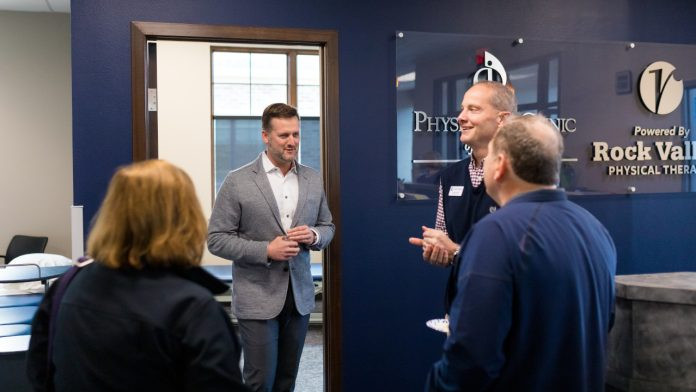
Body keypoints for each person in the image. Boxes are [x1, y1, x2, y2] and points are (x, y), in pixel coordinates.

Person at [425, 115, 617, 391]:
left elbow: (471, 357)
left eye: (489, 156)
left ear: (500, 165)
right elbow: (604, 324)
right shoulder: (595, 230)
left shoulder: (496, 233)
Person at [27, 160, 248, 391]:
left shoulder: (67, 284)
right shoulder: (192, 309)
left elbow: (40, 373)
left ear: (111, 214)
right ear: (186, 217)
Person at [208, 103, 334, 392]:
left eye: (296, 134)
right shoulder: (237, 181)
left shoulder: (313, 178)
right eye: (284, 135)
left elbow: (328, 226)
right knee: (260, 382)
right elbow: (217, 239)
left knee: (287, 380)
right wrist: (266, 250)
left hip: (300, 297)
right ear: (265, 136)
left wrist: (314, 235)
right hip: (257, 297)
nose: (292, 142)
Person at [409, 81, 516, 312]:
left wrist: (456, 250)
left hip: (506, 308)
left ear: (502, 119)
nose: (460, 117)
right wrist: (438, 250)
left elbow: (519, 256)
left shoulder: (520, 176)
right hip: (461, 302)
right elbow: (447, 243)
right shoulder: (449, 177)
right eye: (462, 108)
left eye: (473, 109)